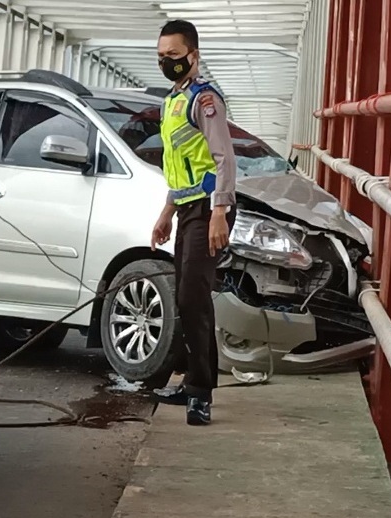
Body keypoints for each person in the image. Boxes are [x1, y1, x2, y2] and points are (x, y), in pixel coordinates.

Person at [149, 19, 237, 427]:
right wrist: (166, 213)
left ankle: (200, 392)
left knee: (192, 297)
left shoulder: (205, 101)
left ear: (194, 56)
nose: (167, 63)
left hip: (209, 210)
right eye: (162, 57)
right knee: (191, 297)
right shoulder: (173, 101)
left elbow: (223, 159)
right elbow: (180, 166)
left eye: (174, 56)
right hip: (188, 210)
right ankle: (193, 382)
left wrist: (220, 211)